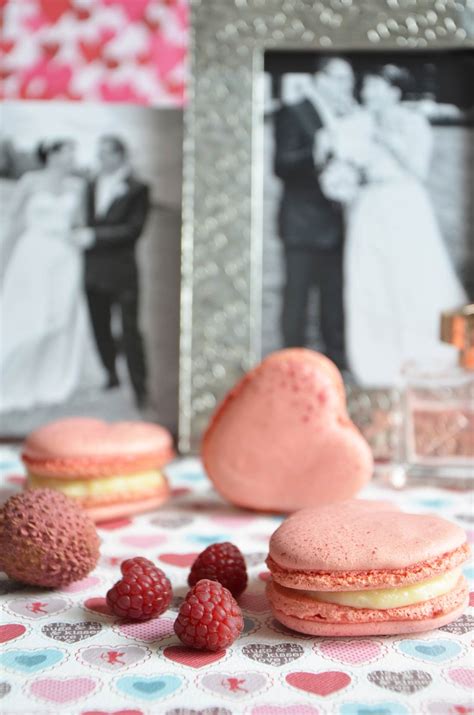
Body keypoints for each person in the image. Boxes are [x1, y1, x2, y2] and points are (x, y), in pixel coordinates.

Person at [344, 65, 468, 385]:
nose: (368, 93)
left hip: (404, 204)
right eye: (367, 87)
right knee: (371, 280)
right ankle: (378, 353)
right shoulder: (357, 124)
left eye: (376, 87)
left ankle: (428, 350)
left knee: (414, 277)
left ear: (394, 92)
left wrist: (384, 135)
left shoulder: (413, 123)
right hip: (370, 205)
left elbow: (417, 168)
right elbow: (350, 166)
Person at [0, 140, 104, 412]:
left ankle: (51, 379)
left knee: (60, 318)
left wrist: (79, 236)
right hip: (32, 254)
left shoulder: (77, 186)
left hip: (66, 257)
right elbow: (13, 223)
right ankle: (11, 376)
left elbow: (80, 222)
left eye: (73, 152)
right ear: (53, 154)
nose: (72, 157)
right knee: (29, 315)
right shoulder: (30, 181)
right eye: (68, 151)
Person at [274, 57, 355, 371]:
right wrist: (315, 152)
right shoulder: (294, 111)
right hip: (302, 225)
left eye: (348, 80)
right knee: (297, 300)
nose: (344, 86)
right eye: (338, 79)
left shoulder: (346, 114)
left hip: (336, 223)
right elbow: (281, 165)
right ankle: (290, 364)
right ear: (320, 79)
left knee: (333, 298)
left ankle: (335, 360)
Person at [83, 136, 150, 409]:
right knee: (99, 325)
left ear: (120, 155)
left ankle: (140, 387)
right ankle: (110, 373)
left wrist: (94, 237)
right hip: (93, 270)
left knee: (130, 329)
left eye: (105, 155)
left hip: (123, 272)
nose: (101, 161)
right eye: (98, 155)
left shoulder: (138, 188)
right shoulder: (91, 185)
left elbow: (133, 230)